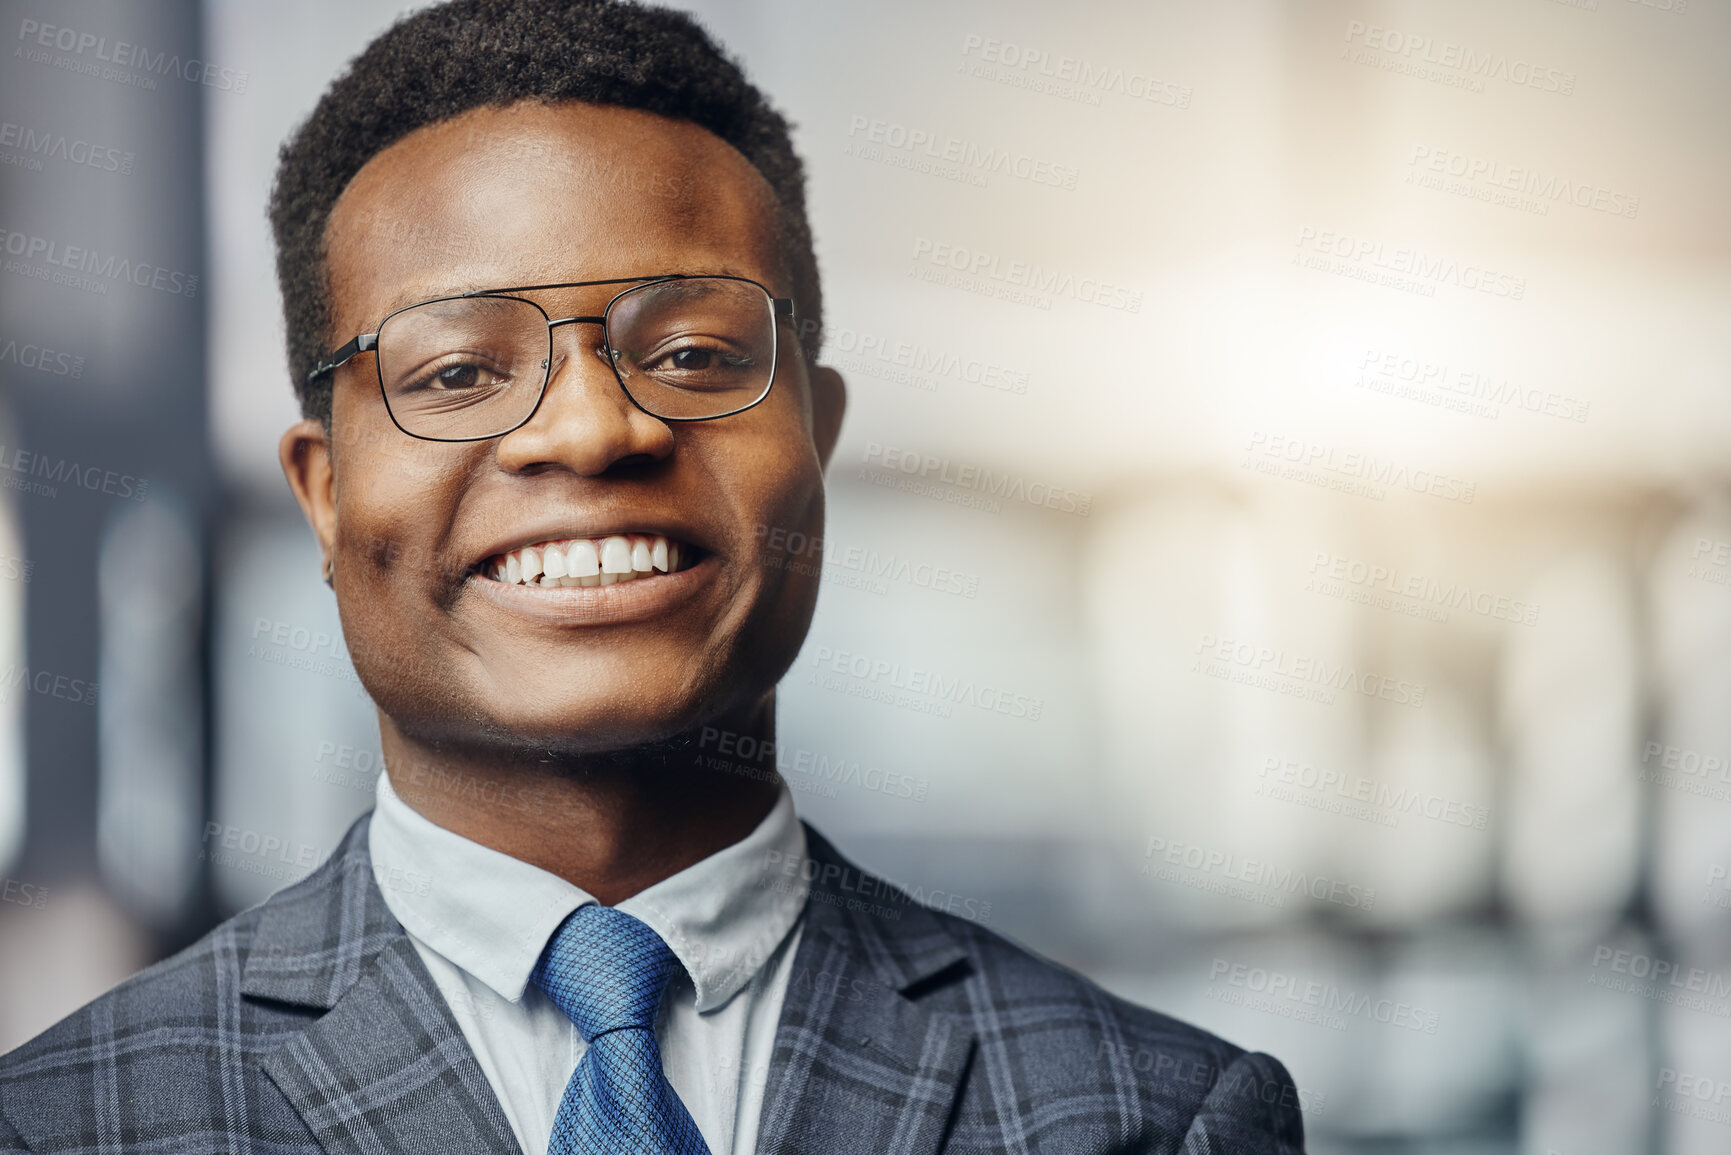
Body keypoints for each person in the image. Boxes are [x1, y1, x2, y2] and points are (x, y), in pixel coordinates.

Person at [0, 1, 1305, 1151]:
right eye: (458, 370)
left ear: (819, 435)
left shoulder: (1150, 1116)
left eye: (691, 353)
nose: (589, 429)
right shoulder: (64, 1124)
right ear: (325, 493)